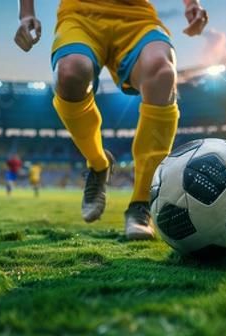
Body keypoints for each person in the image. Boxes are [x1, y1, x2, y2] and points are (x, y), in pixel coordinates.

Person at [15, 0, 209, 240]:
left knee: (163, 72)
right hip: (79, 14)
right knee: (69, 74)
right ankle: (98, 164)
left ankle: (140, 204)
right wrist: (26, 14)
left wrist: (192, 3)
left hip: (137, 16)